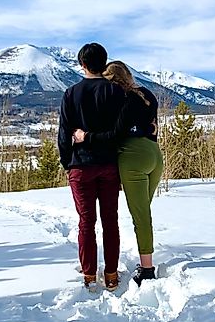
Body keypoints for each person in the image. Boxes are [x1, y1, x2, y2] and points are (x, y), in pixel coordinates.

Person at [73, 61, 164, 286]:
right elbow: (152, 126)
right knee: (143, 213)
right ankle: (145, 261)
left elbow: (115, 134)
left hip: (132, 158)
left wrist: (87, 137)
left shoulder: (121, 100)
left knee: (140, 216)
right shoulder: (147, 94)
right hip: (154, 155)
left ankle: (147, 269)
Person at [58, 43, 127, 291]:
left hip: (81, 166)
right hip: (109, 164)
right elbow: (119, 134)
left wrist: (68, 162)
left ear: (82, 64)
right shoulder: (116, 93)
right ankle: (111, 274)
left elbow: (64, 133)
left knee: (86, 222)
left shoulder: (71, 93)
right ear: (104, 63)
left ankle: (89, 275)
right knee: (111, 220)